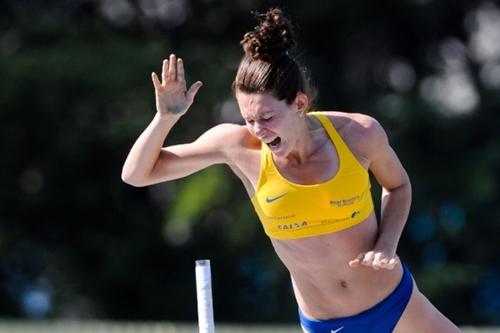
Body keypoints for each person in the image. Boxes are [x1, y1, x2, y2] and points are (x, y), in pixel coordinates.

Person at [122, 7, 462, 333]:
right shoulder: (239, 148)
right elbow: (137, 175)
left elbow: (398, 187)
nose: (258, 129)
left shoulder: (359, 135)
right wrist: (165, 118)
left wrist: (387, 244)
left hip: (396, 304)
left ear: (299, 104)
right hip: (328, 325)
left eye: (267, 118)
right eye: (249, 118)